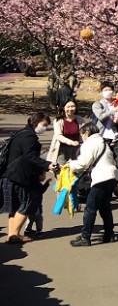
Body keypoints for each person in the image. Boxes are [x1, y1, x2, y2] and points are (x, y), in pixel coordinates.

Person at [66, 120, 118, 246]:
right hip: (112, 176)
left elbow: (83, 163)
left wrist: (69, 165)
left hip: (101, 178)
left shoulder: (90, 143)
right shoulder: (103, 142)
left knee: (90, 208)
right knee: (105, 207)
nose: (82, 138)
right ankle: (109, 234)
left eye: (82, 135)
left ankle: (85, 237)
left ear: (87, 132)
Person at [2, 113, 51, 245]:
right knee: (27, 203)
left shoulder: (20, 134)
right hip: (21, 176)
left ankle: (12, 234)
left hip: (10, 174)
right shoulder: (29, 137)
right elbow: (30, 156)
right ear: (35, 122)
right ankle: (14, 234)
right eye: (44, 125)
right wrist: (47, 165)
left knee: (14, 206)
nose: (45, 128)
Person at [92, 83, 118, 178]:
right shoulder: (97, 105)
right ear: (101, 92)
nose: (108, 92)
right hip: (103, 137)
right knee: (104, 164)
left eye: (110, 90)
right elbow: (101, 116)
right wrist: (113, 110)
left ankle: (114, 184)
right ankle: (106, 185)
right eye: (105, 90)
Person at [46, 101, 83, 166]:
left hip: (76, 150)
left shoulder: (80, 119)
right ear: (63, 108)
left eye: (73, 106)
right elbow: (58, 136)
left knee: (74, 171)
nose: (71, 109)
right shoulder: (58, 120)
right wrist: (71, 142)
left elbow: (83, 133)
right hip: (61, 150)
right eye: (68, 107)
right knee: (60, 170)